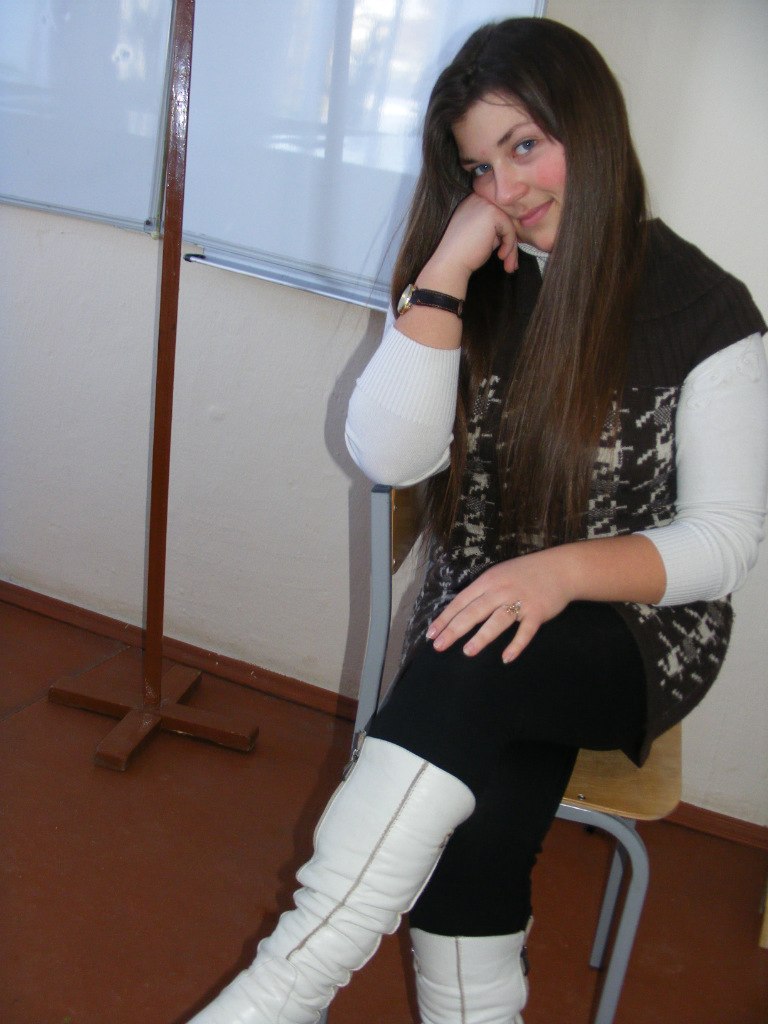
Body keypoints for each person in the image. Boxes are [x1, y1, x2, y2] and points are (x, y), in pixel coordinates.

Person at [188, 17, 768, 1024]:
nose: (507, 188)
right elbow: (388, 458)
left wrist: (557, 573)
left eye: (526, 145)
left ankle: (282, 992)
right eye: (479, 167)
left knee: (478, 671)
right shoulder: (475, 282)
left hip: (636, 631)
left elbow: (725, 542)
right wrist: (445, 273)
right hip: (482, 619)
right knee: (479, 820)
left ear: (592, 125)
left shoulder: (705, 309)